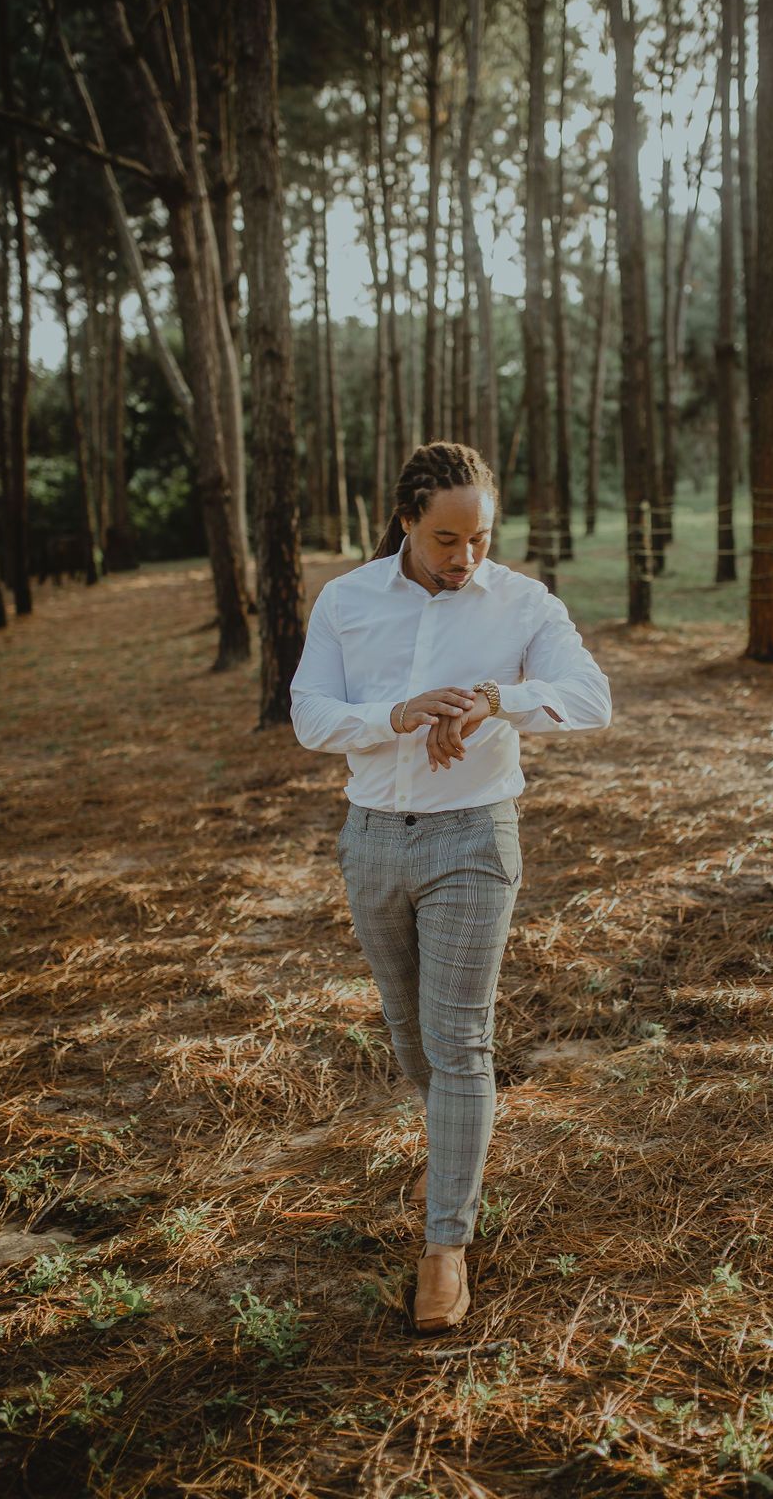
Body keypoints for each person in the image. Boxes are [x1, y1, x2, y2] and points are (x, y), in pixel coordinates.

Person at [289, 441, 612, 1332]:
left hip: (474, 838)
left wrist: (494, 700)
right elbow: (310, 714)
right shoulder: (346, 600)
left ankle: (444, 1247)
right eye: (445, 539)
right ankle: (457, 1146)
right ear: (405, 521)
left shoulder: (522, 603)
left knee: (459, 1041)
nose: (465, 558)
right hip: (370, 843)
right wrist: (391, 717)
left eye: (478, 539)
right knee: (412, 1042)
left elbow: (592, 698)